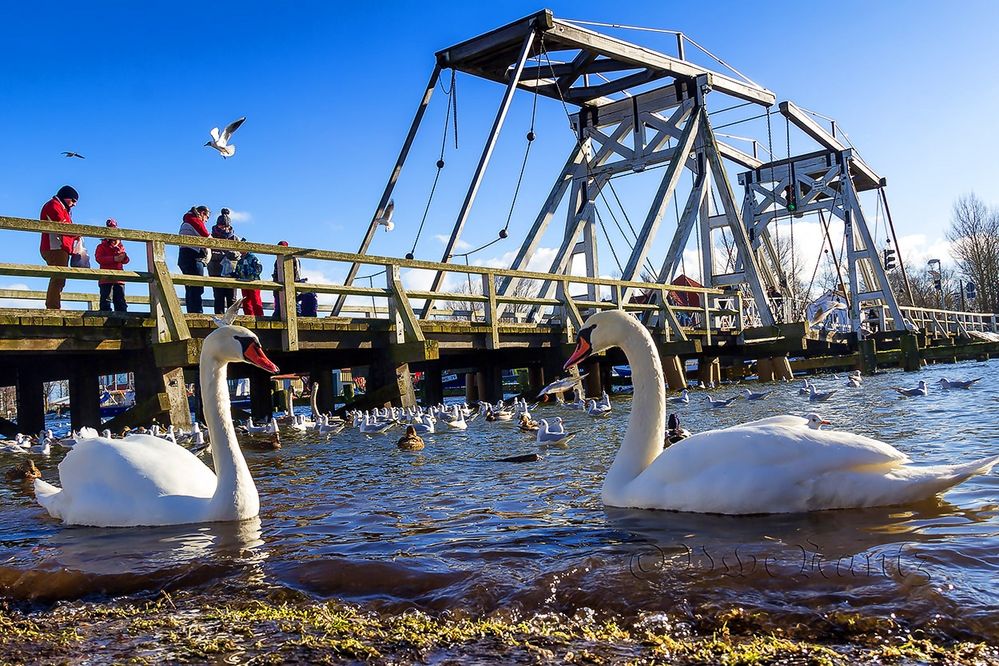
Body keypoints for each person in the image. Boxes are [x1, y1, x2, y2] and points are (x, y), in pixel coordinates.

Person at [39, 185, 80, 309]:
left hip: (59, 248)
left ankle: (54, 305)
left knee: (60, 278)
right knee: (58, 277)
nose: (74, 204)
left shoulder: (62, 208)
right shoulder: (54, 205)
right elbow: (63, 226)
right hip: (55, 247)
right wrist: (77, 233)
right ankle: (53, 307)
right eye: (73, 200)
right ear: (65, 197)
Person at [178, 206, 211, 313]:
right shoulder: (194, 220)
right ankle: (197, 312)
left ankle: (192, 311)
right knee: (197, 286)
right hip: (193, 257)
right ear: (202, 213)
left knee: (190, 287)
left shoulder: (187, 220)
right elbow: (207, 236)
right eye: (207, 217)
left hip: (184, 257)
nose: (206, 220)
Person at [207, 208, 239, 314]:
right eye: (222, 226)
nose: (224, 228)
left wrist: (234, 255)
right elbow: (208, 253)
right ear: (217, 225)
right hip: (216, 271)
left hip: (231, 272)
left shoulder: (235, 238)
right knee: (218, 296)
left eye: (226, 226)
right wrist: (221, 256)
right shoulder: (211, 237)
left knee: (232, 299)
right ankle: (220, 321)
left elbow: (240, 254)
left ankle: (232, 320)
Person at [94, 219, 129, 312]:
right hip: (105, 278)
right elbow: (99, 259)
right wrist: (114, 259)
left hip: (119, 279)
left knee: (120, 300)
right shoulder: (101, 246)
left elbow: (126, 261)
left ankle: (122, 319)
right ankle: (106, 318)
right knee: (106, 299)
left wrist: (123, 256)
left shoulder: (120, 246)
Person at [271, 240, 302, 319]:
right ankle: (278, 314)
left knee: (293, 300)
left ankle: (297, 316)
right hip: (279, 283)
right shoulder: (277, 260)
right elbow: (275, 273)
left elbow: (297, 272)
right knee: (278, 300)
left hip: (291, 283)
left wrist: (295, 282)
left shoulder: (294, 259)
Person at [234, 250, 264, 316]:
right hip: (244, 283)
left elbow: (259, 268)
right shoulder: (240, 260)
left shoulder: (253, 257)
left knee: (255, 300)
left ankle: (260, 317)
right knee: (246, 301)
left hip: (253, 282)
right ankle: (249, 317)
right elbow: (237, 271)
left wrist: (252, 276)